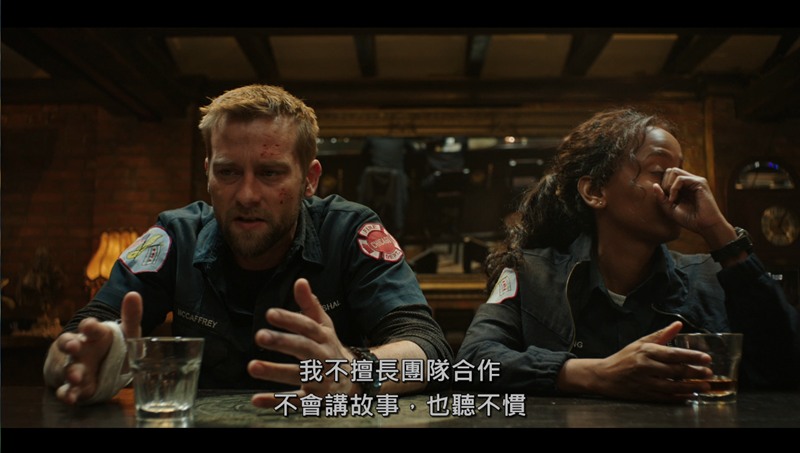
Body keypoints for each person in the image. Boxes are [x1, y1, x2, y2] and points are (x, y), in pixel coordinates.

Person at [43, 84, 453, 408]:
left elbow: (429, 350)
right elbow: (75, 343)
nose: (247, 195)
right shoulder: (175, 236)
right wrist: (87, 361)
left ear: (310, 179)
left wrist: (355, 372)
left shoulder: (348, 231)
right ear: (208, 174)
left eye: (270, 173)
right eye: (228, 172)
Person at [455, 108, 800, 403]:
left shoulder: (711, 276)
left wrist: (720, 234)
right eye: (659, 171)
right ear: (595, 191)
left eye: (681, 171)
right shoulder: (530, 272)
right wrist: (596, 373)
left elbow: (788, 363)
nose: (679, 184)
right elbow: (473, 362)